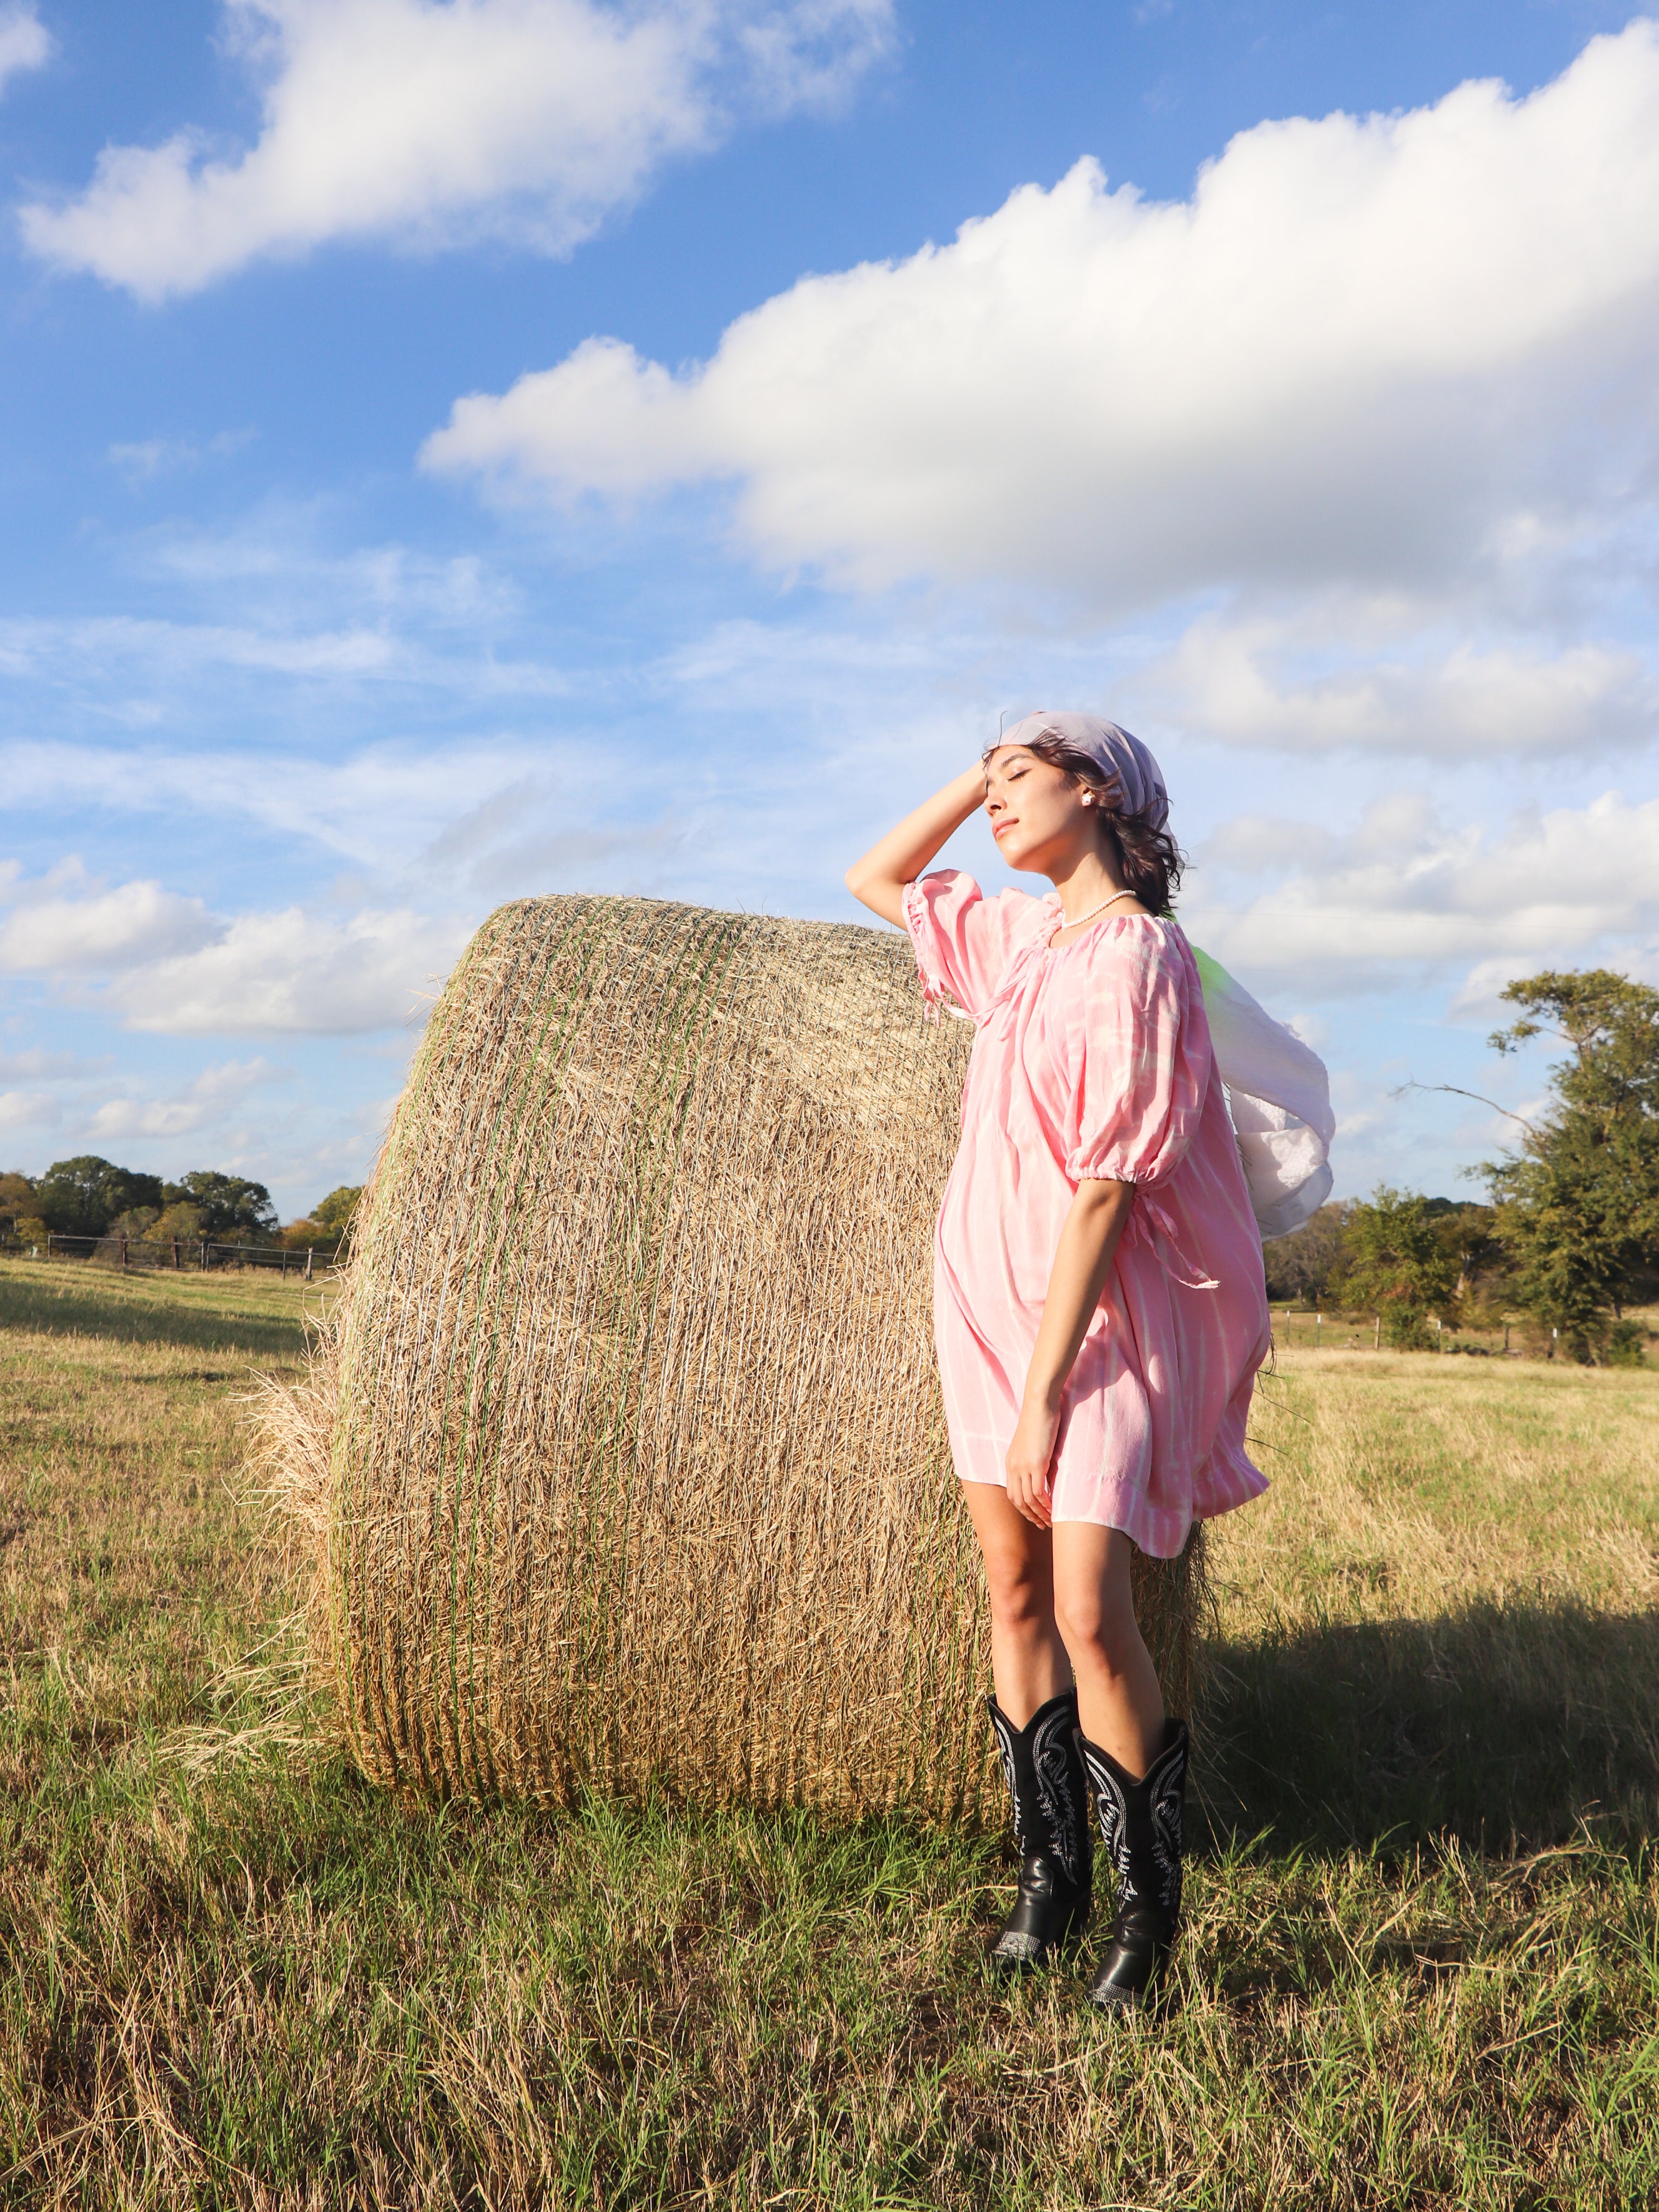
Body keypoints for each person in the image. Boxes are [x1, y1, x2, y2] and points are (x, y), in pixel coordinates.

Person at [845, 711, 1274, 2012]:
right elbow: (872, 878)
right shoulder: (1019, 947)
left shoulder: (1139, 956)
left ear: (1094, 791)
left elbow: (1103, 1185)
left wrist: (1043, 1391)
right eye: (986, 784)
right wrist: (973, 772)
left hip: (1094, 1323)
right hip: (975, 1295)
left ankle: (1148, 1912)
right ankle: (1049, 1875)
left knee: (1089, 1608)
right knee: (1011, 1591)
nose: (992, 806)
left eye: (1018, 778)